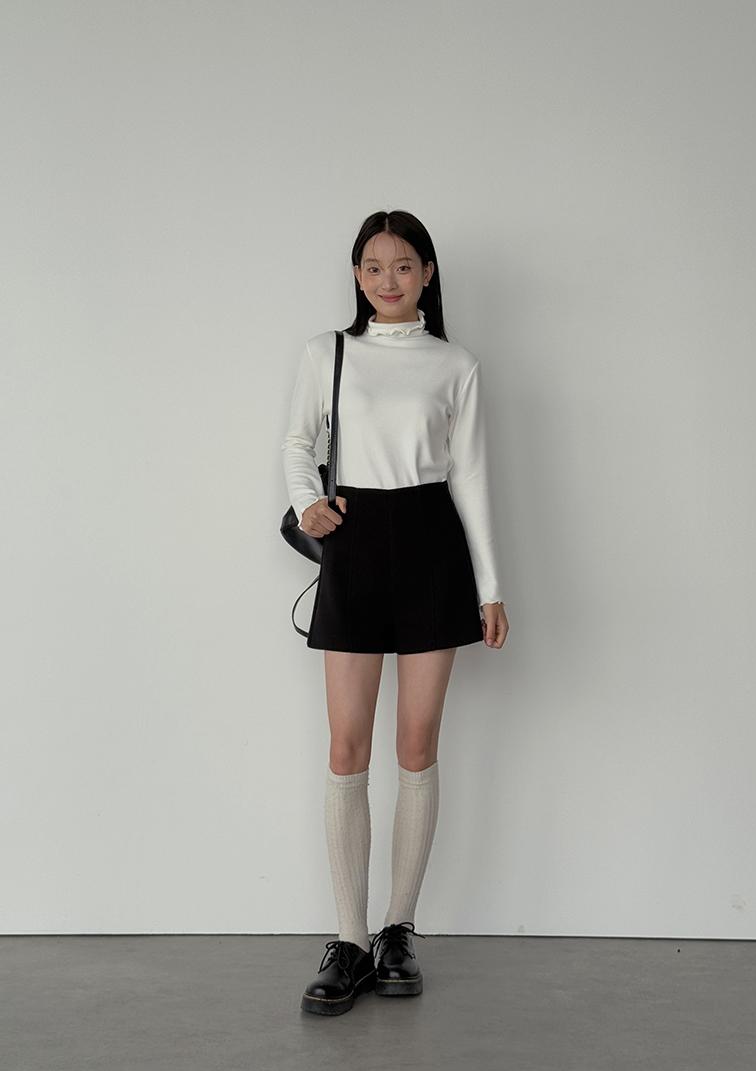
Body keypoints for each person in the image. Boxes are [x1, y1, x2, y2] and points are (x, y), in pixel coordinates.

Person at [281, 209, 509, 1016]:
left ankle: (397, 930)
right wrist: (306, 503)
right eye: (373, 266)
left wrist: (489, 586)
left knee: (416, 745)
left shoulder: (456, 364)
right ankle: (348, 940)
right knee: (346, 745)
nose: (388, 279)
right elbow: (297, 443)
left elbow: (470, 476)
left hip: (431, 548)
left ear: (427, 273)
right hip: (355, 546)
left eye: (403, 265)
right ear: (356, 274)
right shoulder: (327, 353)